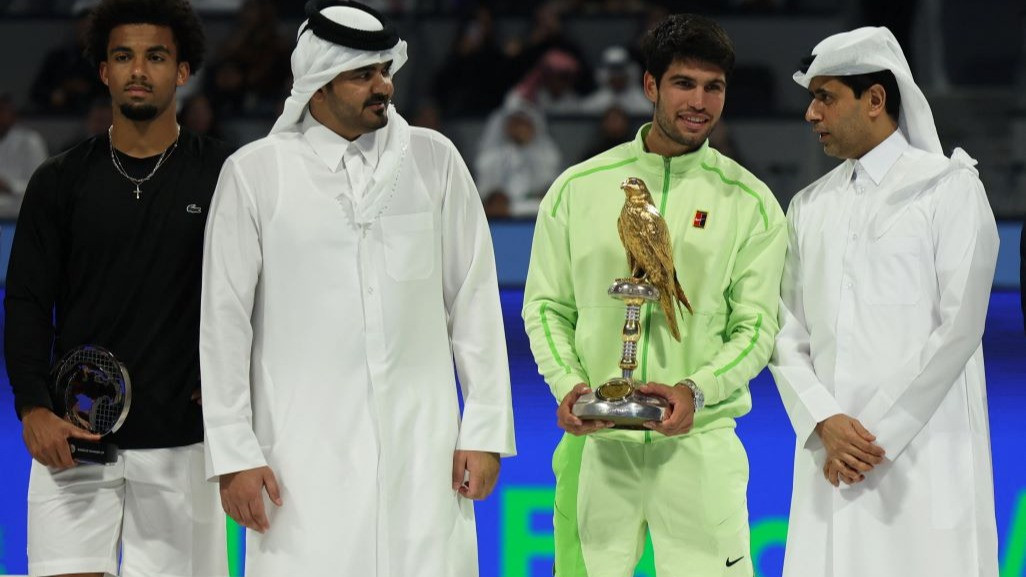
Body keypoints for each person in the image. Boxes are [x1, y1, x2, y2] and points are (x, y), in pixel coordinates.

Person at [199, 2, 516, 576]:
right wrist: (234, 455)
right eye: (363, 75)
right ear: (318, 84)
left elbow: (473, 302)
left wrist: (486, 428)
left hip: (424, 452)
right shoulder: (256, 173)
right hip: (298, 457)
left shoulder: (433, 158)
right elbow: (223, 324)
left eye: (384, 70)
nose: (383, 85)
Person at [522, 13, 786, 577]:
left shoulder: (752, 203)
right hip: (595, 449)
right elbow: (546, 307)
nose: (700, 101)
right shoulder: (578, 188)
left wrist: (698, 389)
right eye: (684, 84)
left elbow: (757, 328)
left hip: (700, 448)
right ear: (651, 86)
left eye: (713, 87)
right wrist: (569, 386)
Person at [3, 1, 232, 576]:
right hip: (73, 440)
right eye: (123, 56)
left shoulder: (227, 177)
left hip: (185, 446)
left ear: (183, 71)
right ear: (103, 71)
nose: (138, 70)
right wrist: (32, 405)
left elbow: (263, 295)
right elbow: (27, 300)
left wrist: (237, 384)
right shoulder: (58, 181)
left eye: (156, 56)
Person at [769, 27, 1000, 577]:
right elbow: (784, 330)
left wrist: (873, 440)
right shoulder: (807, 206)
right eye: (810, 99)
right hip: (829, 457)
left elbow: (960, 329)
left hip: (925, 456)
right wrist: (824, 420)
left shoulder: (950, 188)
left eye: (825, 96)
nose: (810, 114)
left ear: (875, 99)